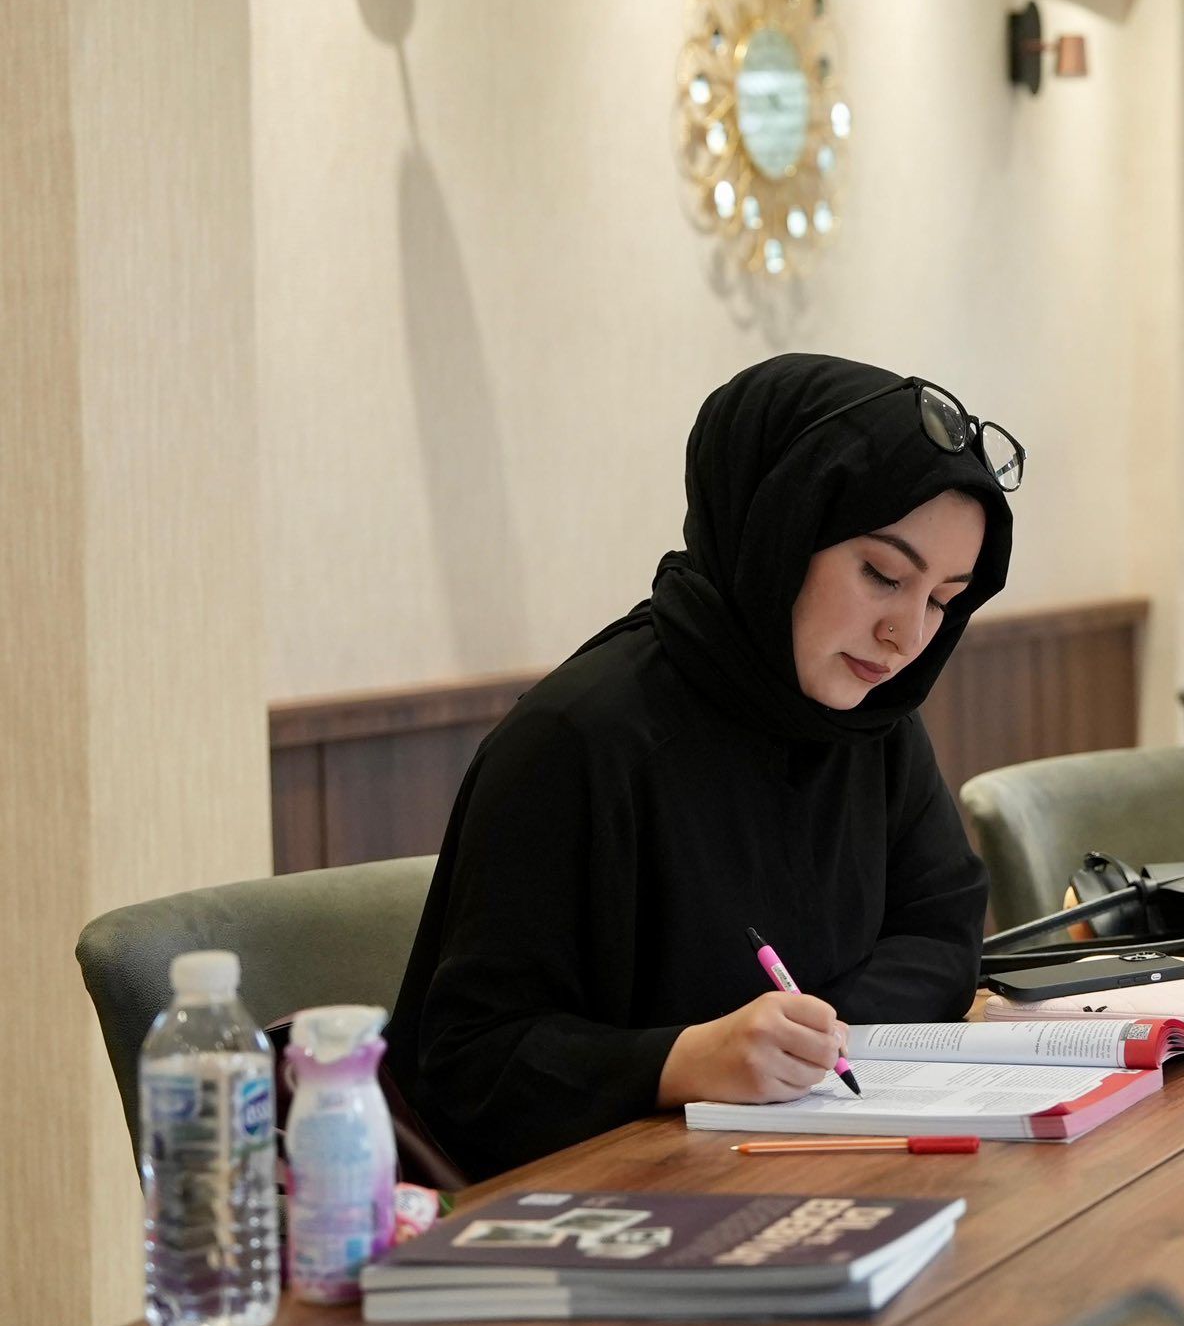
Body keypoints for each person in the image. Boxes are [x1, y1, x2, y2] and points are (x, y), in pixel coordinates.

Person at [386, 354, 1023, 1178]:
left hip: (815, 1162)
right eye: (883, 575)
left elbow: (941, 931)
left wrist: (809, 1035)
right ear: (778, 530)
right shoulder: (578, 739)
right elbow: (469, 1063)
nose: (907, 635)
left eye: (942, 600)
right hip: (607, 1203)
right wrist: (683, 1060)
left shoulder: (872, 723)